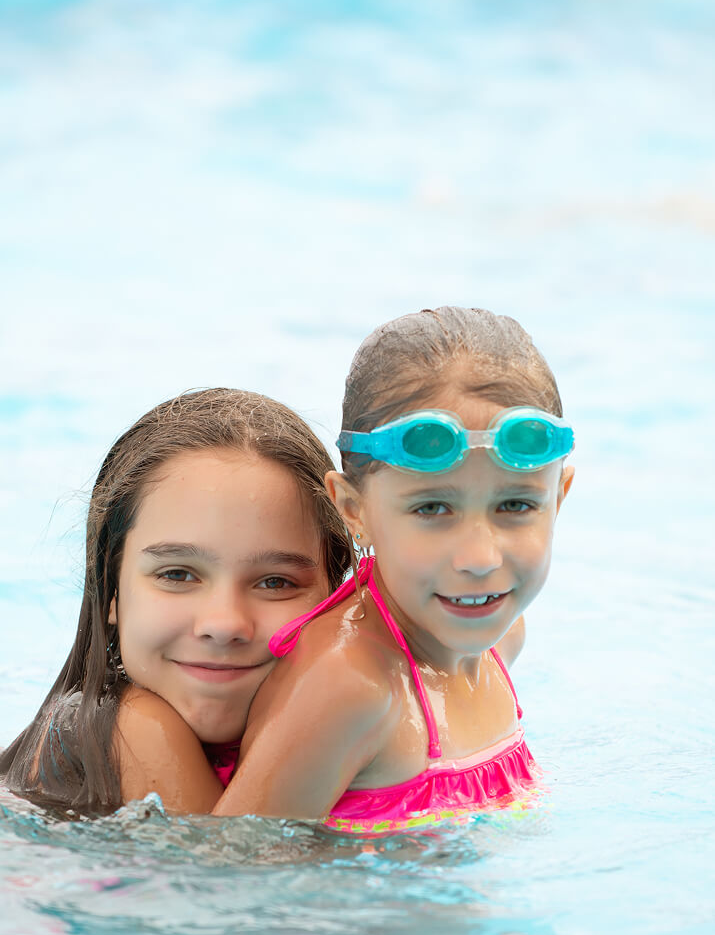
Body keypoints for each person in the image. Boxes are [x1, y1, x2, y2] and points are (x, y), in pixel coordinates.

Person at [214, 307, 574, 832]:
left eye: (517, 505)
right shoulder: (351, 687)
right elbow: (222, 878)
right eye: (431, 509)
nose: (480, 559)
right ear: (353, 510)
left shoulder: (499, 641)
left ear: (558, 500)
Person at [0, 388, 350, 814]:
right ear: (112, 591)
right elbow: (226, 876)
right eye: (177, 575)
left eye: (275, 582)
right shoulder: (135, 728)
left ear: (338, 594)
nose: (225, 623)